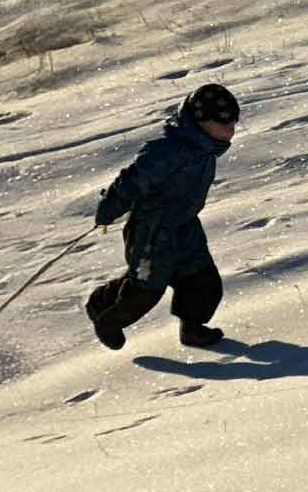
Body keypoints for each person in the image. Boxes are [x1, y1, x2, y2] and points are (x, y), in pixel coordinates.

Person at [84, 84, 240, 351]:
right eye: (224, 123)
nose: (231, 130)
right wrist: (109, 209)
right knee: (146, 288)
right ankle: (106, 315)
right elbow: (131, 181)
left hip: (185, 227)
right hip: (152, 232)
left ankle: (192, 329)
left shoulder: (205, 150)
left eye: (234, 123)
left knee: (202, 280)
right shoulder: (168, 152)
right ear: (202, 122)